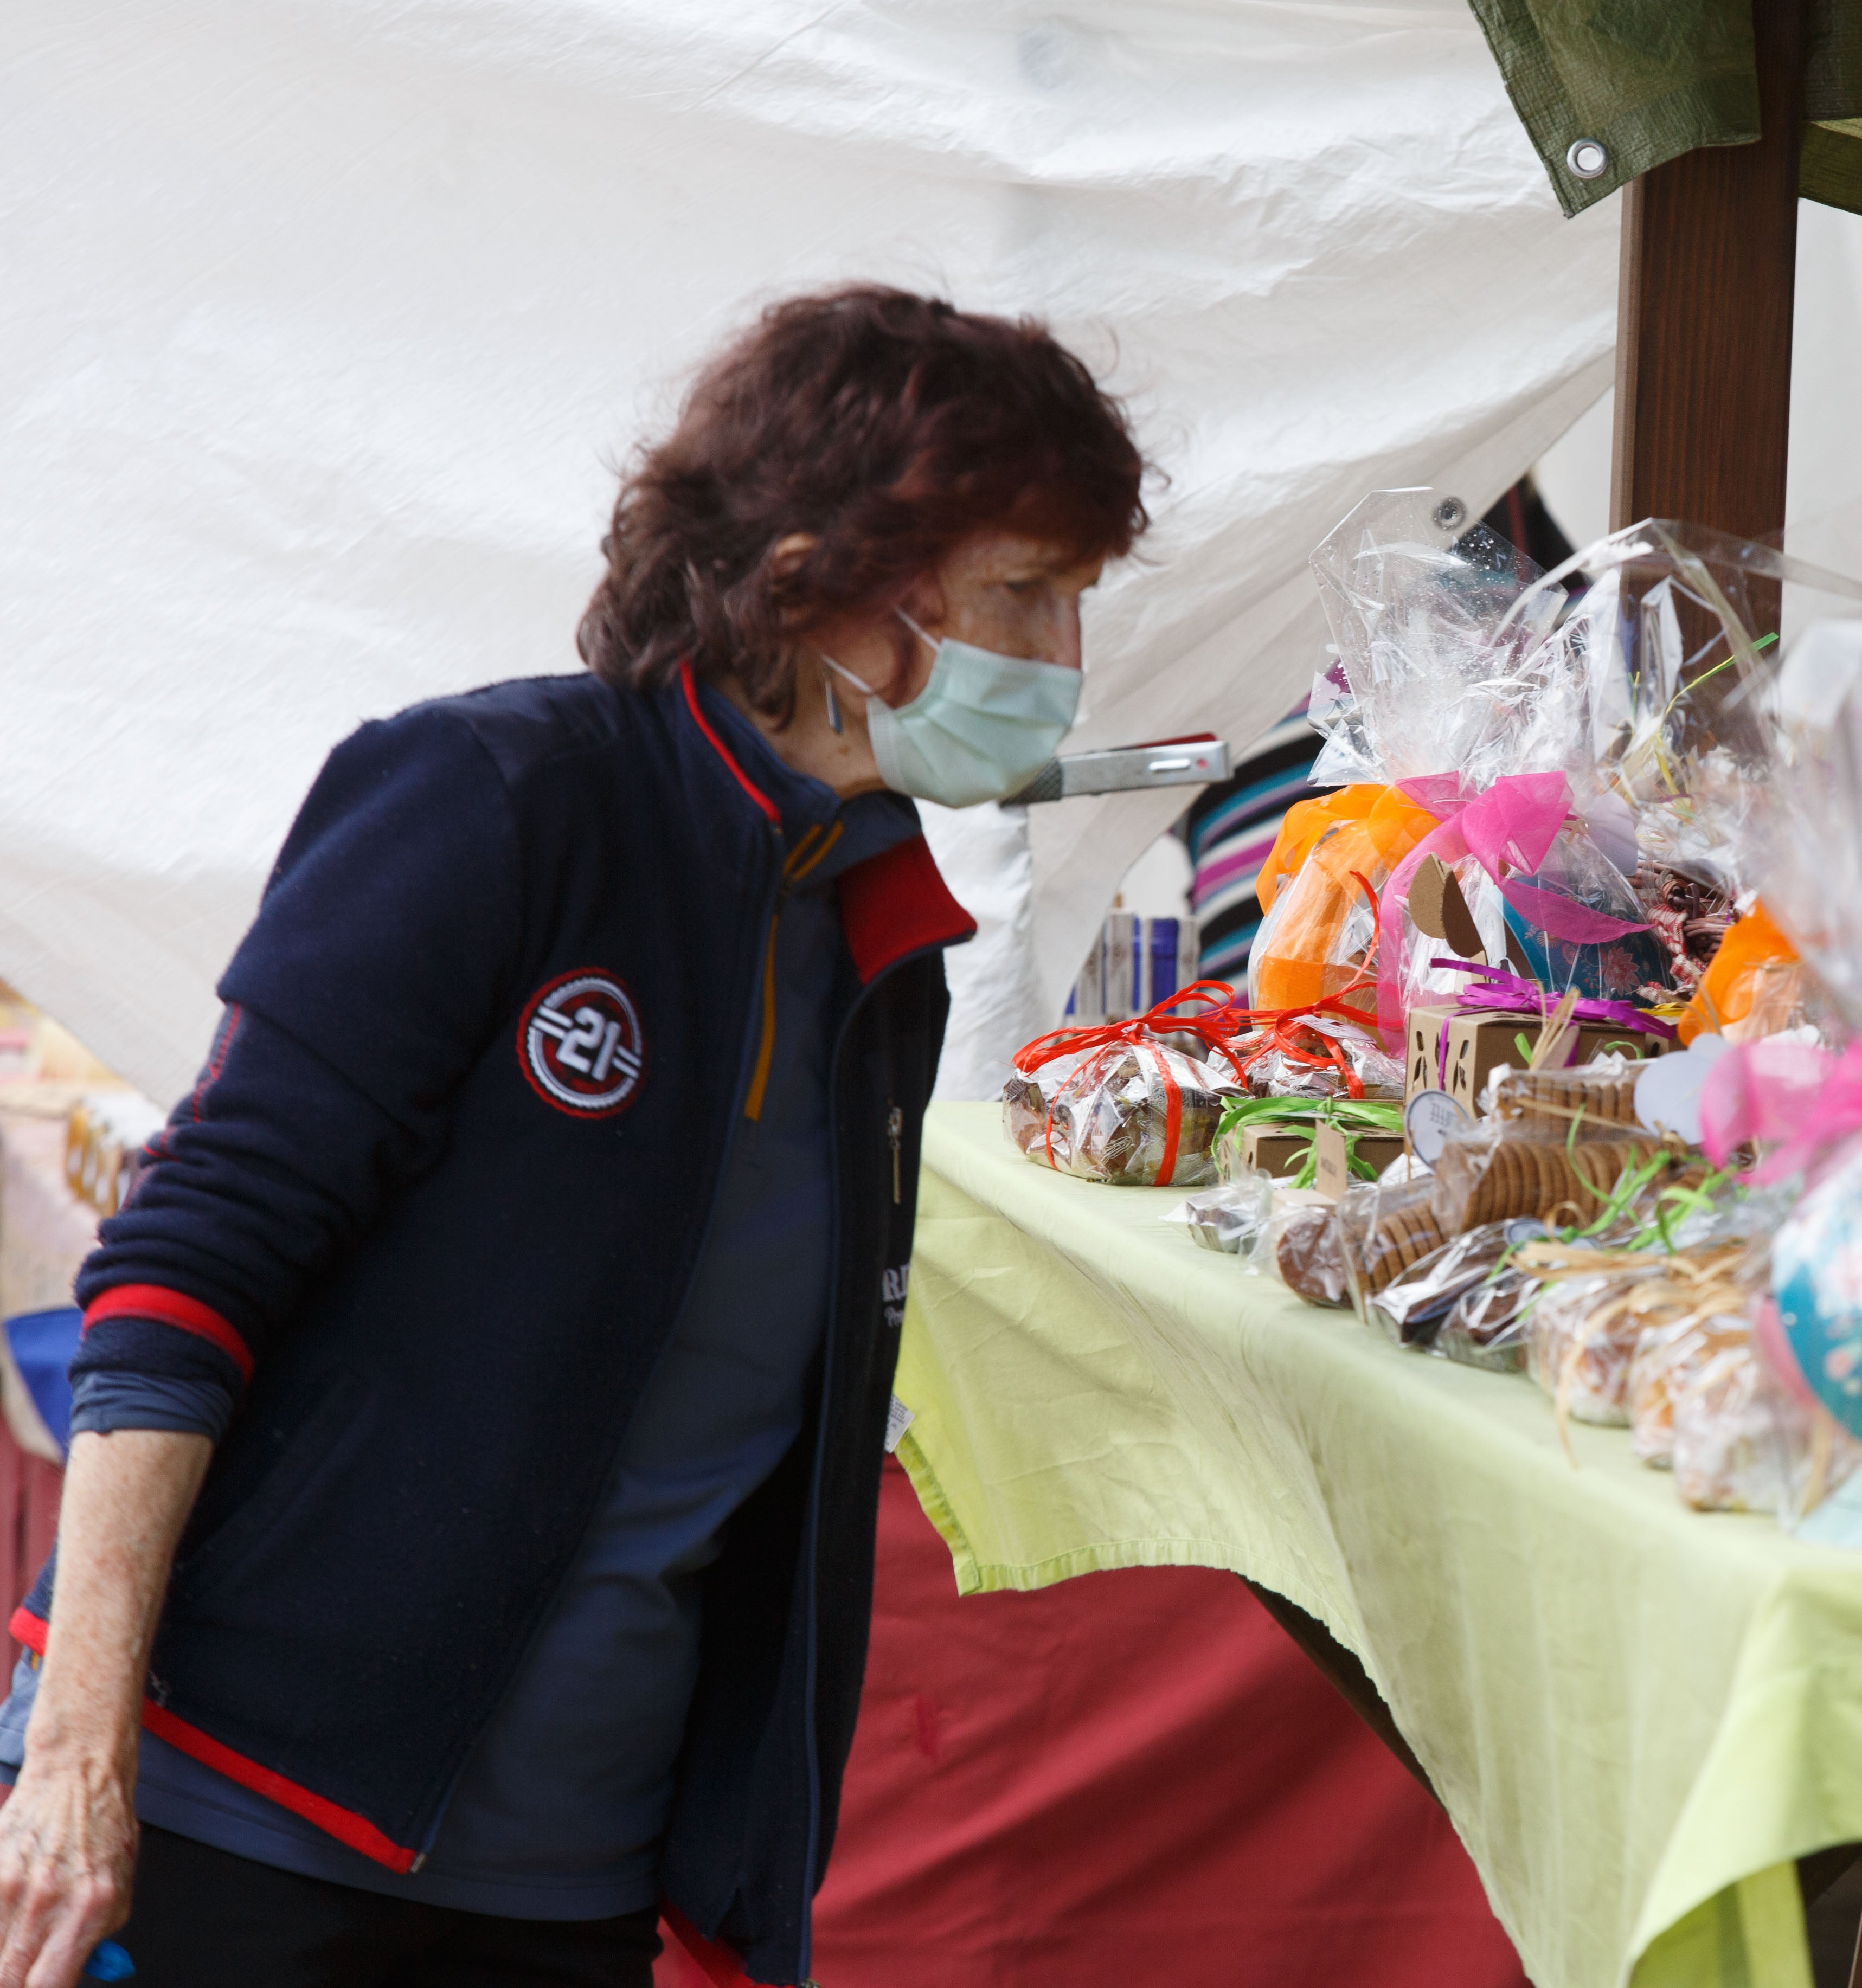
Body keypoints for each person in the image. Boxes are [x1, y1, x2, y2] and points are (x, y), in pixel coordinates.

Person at [0, 286, 1146, 1988]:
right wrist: (77, 1754)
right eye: (1021, 597)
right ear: (812, 581)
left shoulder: (879, 945)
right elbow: (181, 1274)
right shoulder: (497, 795)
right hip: (239, 1811)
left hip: (571, 1882)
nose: (1060, 667)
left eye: (1077, 605)